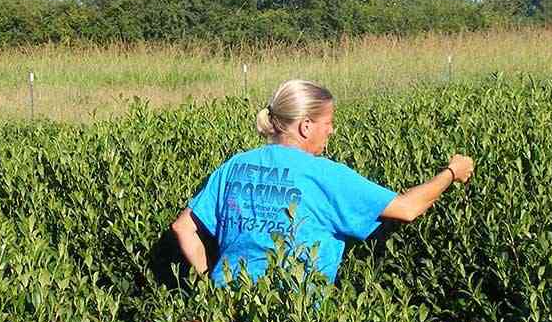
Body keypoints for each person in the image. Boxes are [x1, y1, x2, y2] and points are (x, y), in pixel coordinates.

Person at [171, 79, 474, 285]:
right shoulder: (325, 175)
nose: (331, 131)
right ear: (305, 126)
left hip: (225, 316)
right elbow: (408, 209)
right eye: (328, 124)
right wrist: (451, 172)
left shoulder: (235, 165)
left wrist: (211, 284)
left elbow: (182, 227)